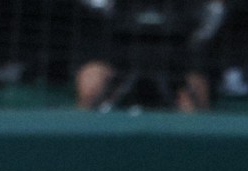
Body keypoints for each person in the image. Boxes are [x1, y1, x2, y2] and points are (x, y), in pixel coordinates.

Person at [75, 1, 228, 111]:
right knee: (91, 80)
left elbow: (210, 21)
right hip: (118, 57)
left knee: (196, 90)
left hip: (176, 60)